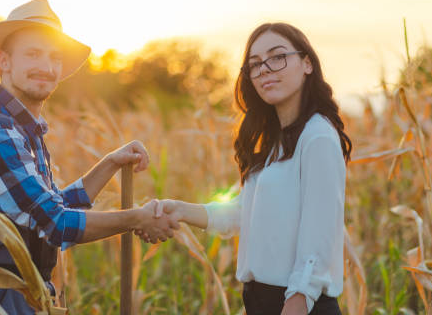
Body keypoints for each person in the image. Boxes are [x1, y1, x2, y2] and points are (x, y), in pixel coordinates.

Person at [0, 0, 178, 314]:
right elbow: (56, 225)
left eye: (54, 57)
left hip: (23, 293)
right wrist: (137, 218)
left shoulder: (23, 130)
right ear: (4, 61)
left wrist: (109, 164)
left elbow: (49, 209)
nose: (46, 66)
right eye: (32, 54)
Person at [137, 23, 352, 315]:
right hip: (260, 301)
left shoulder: (317, 137)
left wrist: (299, 299)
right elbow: (242, 212)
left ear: (307, 63)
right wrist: (180, 210)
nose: (264, 69)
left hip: (298, 304)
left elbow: (320, 234)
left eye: (277, 57)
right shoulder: (275, 142)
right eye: (255, 65)